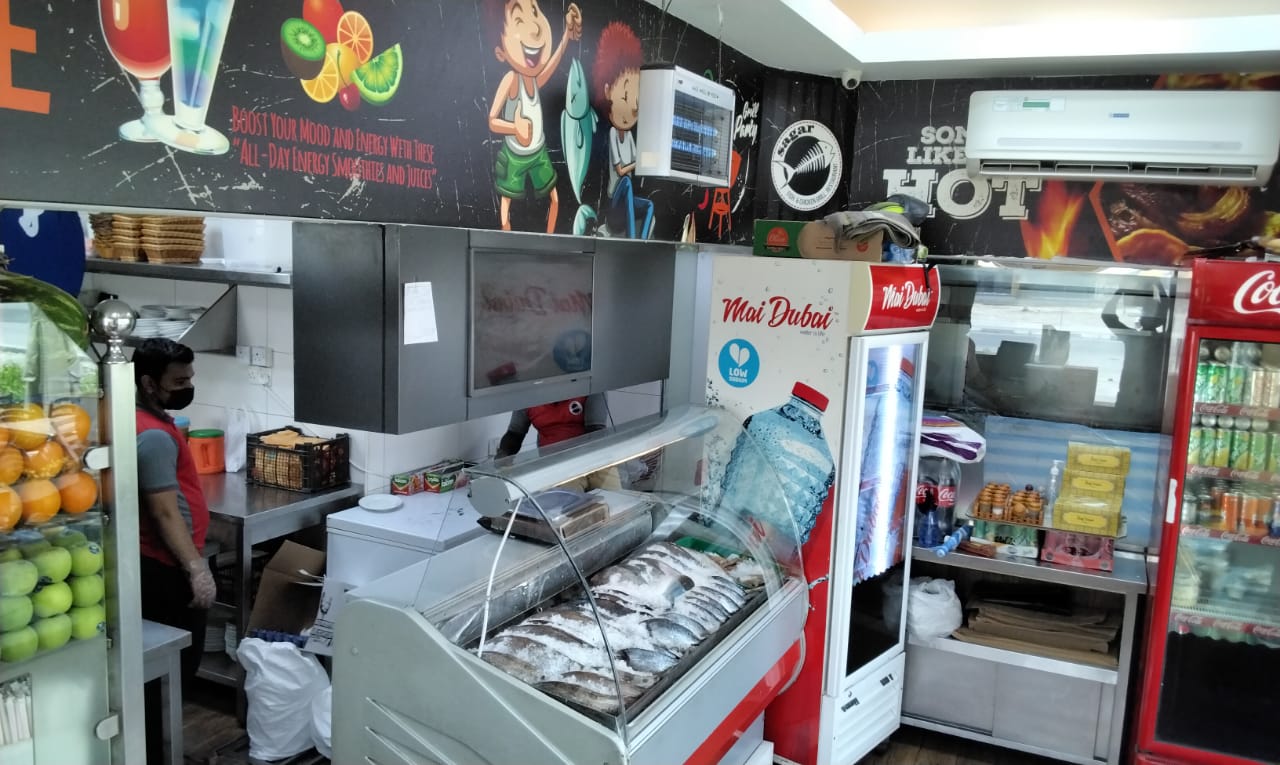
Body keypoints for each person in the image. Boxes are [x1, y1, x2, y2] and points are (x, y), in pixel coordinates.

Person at [134, 338, 215, 765]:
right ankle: (160, 754)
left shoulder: (147, 421)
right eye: (179, 381)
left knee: (162, 676)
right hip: (166, 571)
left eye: (190, 378)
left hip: (155, 564)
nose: (188, 387)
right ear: (150, 383)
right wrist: (196, 569)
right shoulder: (153, 437)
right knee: (173, 673)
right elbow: (165, 513)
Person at [483, 0, 583, 233]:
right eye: (519, 20)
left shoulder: (534, 82)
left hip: (538, 152)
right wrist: (514, 128)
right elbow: (492, 120)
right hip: (514, 155)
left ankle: (550, 242)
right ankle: (505, 244)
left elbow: (552, 64)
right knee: (506, 207)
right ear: (501, 52)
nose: (535, 29)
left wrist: (566, 36)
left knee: (554, 199)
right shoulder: (511, 80)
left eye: (535, 14)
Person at [496, 394, 620, 492]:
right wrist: (503, 456)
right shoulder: (527, 396)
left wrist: (579, 464)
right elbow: (515, 433)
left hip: (595, 457)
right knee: (572, 509)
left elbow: (596, 431)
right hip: (555, 464)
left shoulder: (589, 385)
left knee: (616, 502)